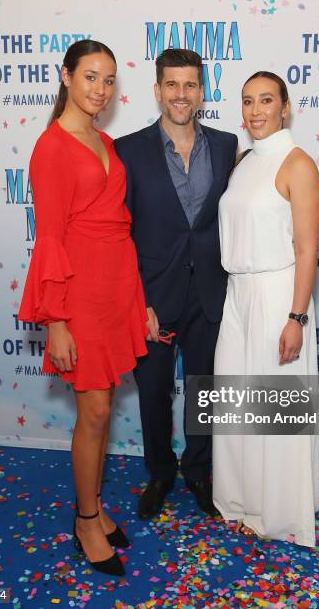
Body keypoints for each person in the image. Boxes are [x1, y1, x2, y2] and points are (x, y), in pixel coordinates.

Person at [18, 40, 148, 576]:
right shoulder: (52, 148)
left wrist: (136, 297)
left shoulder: (104, 140)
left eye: (109, 79)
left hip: (114, 287)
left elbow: (116, 222)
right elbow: (49, 239)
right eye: (90, 76)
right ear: (66, 77)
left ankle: (92, 506)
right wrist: (57, 321)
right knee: (93, 412)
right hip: (79, 296)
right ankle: (86, 519)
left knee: (104, 406)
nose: (100, 88)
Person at [114, 49, 238, 519]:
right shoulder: (127, 150)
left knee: (205, 389)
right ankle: (161, 472)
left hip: (210, 293)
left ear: (202, 91)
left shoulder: (227, 146)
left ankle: (198, 470)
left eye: (189, 85)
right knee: (153, 392)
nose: (181, 95)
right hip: (152, 298)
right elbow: (119, 231)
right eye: (172, 85)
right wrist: (136, 301)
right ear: (157, 90)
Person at [213, 71, 319, 547]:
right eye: (247, 101)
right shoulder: (243, 161)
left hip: (279, 294)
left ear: (285, 106)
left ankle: (280, 510)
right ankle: (240, 500)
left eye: (266, 100)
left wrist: (295, 317)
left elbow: (306, 248)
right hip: (237, 293)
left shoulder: (298, 163)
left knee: (276, 407)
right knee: (236, 402)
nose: (255, 111)